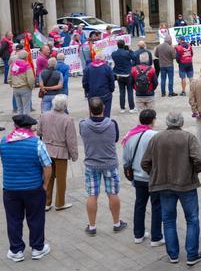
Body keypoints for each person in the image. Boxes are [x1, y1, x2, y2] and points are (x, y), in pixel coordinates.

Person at [140, 109, 201, 264]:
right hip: (186, 185)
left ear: (167, 123)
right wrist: (192, 172)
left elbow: (145, 162)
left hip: (164, 185)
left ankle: (173, 254)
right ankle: (191, 254)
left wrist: (157, 173)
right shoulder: (188, 137)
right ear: (181, 122)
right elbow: (199, 160)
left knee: (168, 220)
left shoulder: (157, 138)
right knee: (192, 219)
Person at [0, 114, 53, 262]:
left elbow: (5, 162)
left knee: (14, 219)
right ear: (29, 127)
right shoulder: (37, 143)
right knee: (36, 218)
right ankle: (37, 248)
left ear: (15, 126)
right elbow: (47, 166)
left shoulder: (3, 142)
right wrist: (45, 184)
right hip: (33, 187)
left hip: (10, 188)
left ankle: (16, 250)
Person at [79, 97, 126, 236]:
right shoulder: (112, 123)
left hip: (91, 163)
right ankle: (117, 223)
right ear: (103, 108)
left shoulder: (83, 124)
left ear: (90, 109)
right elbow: (116, 138)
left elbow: (82, 135)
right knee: (112, 193)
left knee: (92, 194)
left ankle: (92, 226)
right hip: (109, 163)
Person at [121, 109, 162, 245]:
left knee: (140, 205)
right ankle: (156, 237)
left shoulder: (130, 135)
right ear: (153, 120)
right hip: (153, 177)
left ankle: (138, 235)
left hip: (138, 177)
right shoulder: (155, 136)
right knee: (156, 206)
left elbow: (126, 158)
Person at [38, 95, 77, 212]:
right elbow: (71, 140)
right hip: (61, 152)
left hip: (46, 150)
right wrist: (74, 155)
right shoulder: (67, 119)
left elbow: (39, 131)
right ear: (65, 106)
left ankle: (46, 202)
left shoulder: (43, 115)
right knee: (61, 179)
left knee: (47, 177)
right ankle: (60, 203)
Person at [111, 40, 137, 114]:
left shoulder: (114, 54)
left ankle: (122, 108)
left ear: (117, 45)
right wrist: (130, 50)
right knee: (130, 91)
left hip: (119, 74)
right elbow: (134, 57)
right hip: (127, 74)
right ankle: (131, 108)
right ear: (124, 45)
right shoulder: (127, 53)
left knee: (122, 91)